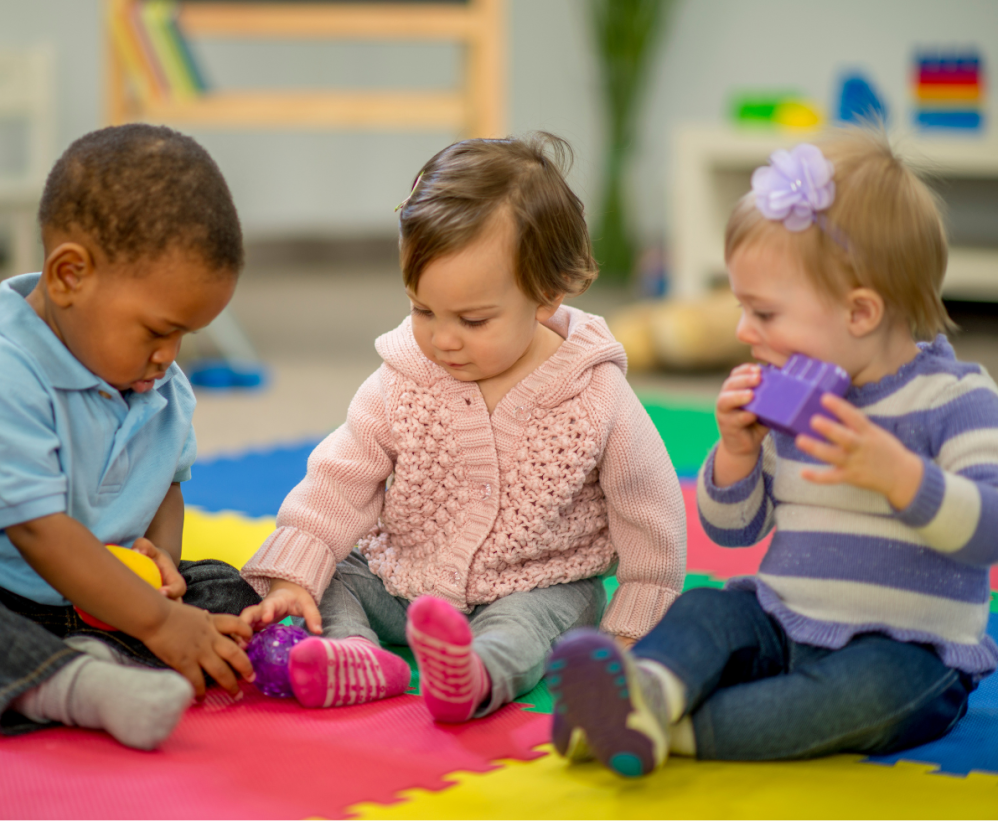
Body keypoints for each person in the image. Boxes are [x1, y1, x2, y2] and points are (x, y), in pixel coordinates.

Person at [547, 126, 998, 778]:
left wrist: (902, 477)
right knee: (706, 609)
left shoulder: (957, 401)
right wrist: (735, 454)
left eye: (764, 313)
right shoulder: (791, 395)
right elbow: (733, 532)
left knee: (864, 698)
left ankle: (667, 734)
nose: (741, 331)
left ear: (861, 312)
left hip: (909, 653)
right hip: (785, 621)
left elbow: (987, 531)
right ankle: (645, 694)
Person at [238, 133, 687, 723]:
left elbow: (648, 509)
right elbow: (340, 479)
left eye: (473, 320)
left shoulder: (595, 394)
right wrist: (295, 576)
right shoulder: (403, 378)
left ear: (546, 295)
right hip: (403, 577)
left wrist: (636, 622)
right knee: (333, 575)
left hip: (535, 584)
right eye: (423, 310)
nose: (442, 339)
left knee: (532, 627)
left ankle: (475, 676)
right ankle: (353, 654)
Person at [0, 124, 262, 751]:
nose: (169, 356)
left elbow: (165, 485)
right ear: (69, 275)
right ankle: (78, 684)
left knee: (227, 582)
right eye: (158, 330)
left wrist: (162, 572)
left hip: (101, 595)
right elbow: (39, 532)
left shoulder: (158, 382)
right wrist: (158, 620)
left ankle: (282, 657)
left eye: (185, 334)